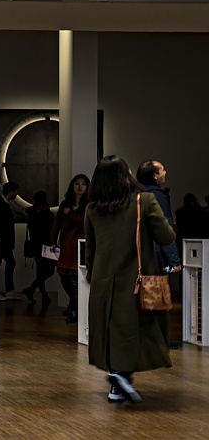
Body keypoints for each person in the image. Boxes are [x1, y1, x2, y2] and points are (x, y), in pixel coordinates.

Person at [84, 155, 176, 404]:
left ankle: (118, 383)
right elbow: (166, 237)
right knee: (138, 329)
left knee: (111, 330)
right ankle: (121, 376)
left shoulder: (93, 208)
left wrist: (92, 275)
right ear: (125, 175)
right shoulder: (143, 201)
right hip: (137, 280)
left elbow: (90, 249)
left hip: (103, 280)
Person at [50, 174, 90, 323]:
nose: (80, 187)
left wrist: (71, 213)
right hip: (66, 245)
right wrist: (53, 242)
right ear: (72, 186)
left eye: (83, 184)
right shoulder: (65, 204)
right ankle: (75, 307)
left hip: (80, 246)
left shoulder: (89, 204)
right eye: (77, 183)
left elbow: (87, 222)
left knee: (73, 277)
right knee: (64, 277)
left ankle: (75, 310)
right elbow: (56, 224)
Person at [136, 160, 181, 273]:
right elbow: (164, 227)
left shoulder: (135, 194)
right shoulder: (157, 195)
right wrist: (174, 261)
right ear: (154, 176)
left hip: (137, 254)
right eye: (162, 170)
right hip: (156, 255)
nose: (165, 172)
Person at [0, 181, 23, 300]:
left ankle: (5, 291)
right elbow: (1, 227)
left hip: (0, 242)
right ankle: (3, 291)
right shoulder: (1, 207)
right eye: (16, 192)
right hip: (0, 243)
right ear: (11, 192)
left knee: (4, 264)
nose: (16, 194)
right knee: (4, 264)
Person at [22, 191, 56, 307]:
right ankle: (32, 289)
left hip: (35, 246)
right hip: (47, 246)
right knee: (49, 271)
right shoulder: (48, 214)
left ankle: (43, 294)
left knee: (41, 271)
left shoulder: (31, 214)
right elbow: (52, 231)